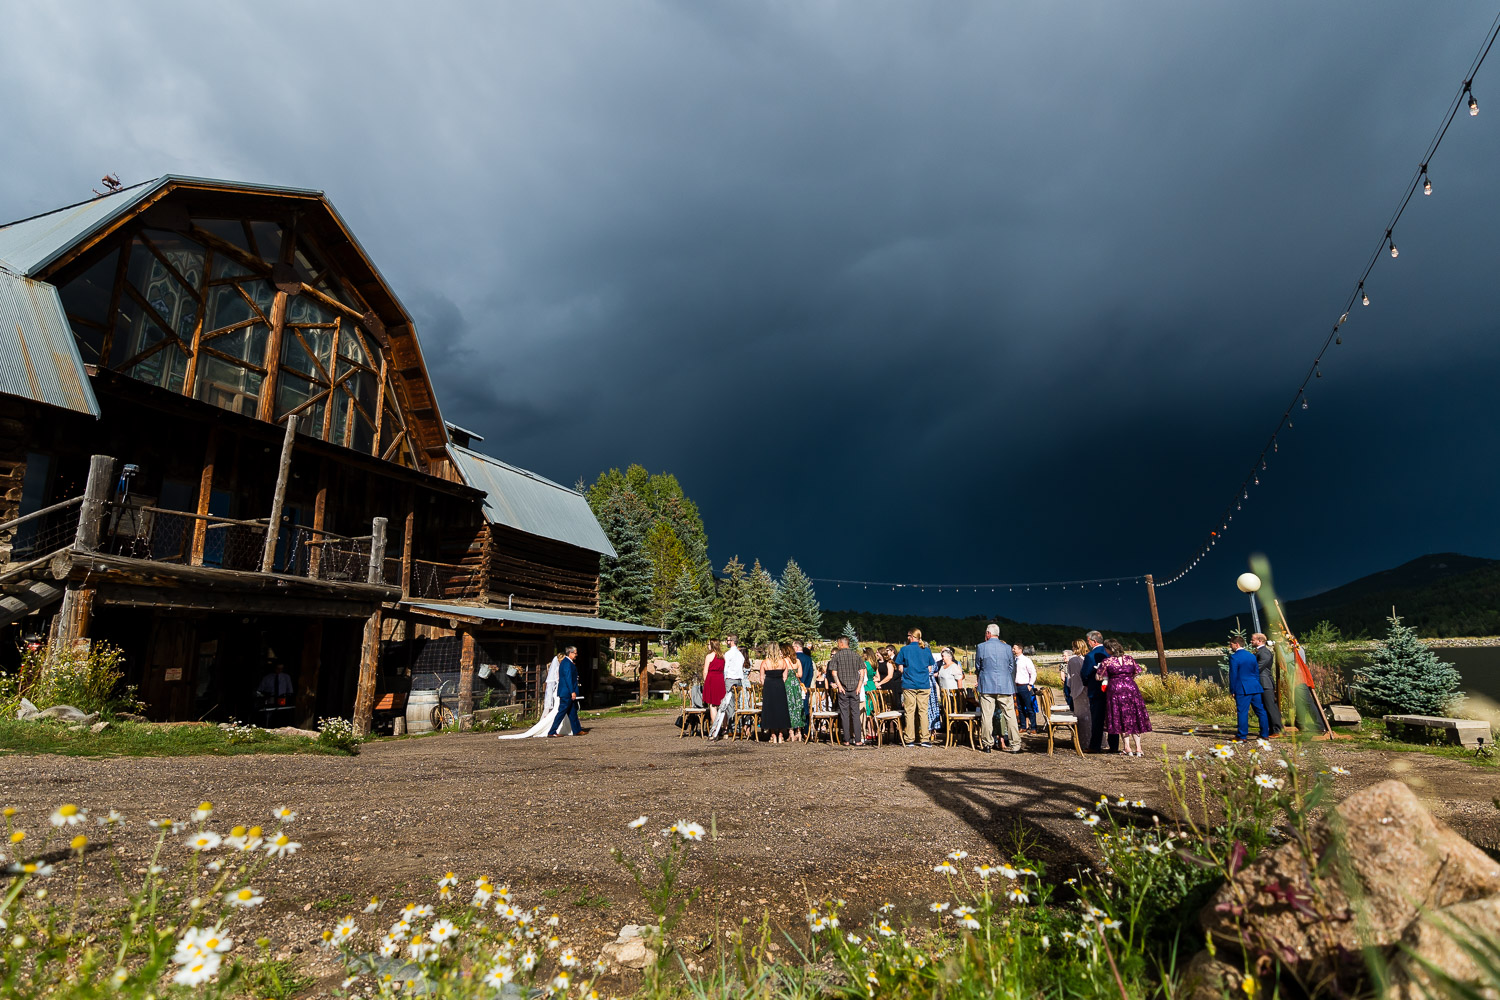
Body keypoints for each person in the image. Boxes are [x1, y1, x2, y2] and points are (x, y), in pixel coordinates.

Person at [1100, 638, 1152, 756]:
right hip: (1131, 688)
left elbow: (1099, 676)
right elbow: (1137, 671)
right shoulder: (1129, 659)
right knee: (1134, 716)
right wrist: (1128, 677)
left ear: (1109, 649)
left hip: (1115, 689)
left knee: (1120, 717)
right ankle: (1138, 748)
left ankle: (1127, 747)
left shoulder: (1107, 661)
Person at [974, 625, 1019, 753]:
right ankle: (1015, 745)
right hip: (1005, 685)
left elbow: (978, 666)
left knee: (987, 716)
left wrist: (983, 675)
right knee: (1010, 715)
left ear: (988, 633)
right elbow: (1011, 666)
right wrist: (1004, 675)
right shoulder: (1007, 647)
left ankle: (987, 744)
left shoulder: (981, 647)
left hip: (987, 685)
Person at [499, 654, 561, 740]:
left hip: (558, 690)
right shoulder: (558, 669)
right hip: (559, 690)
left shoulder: (558, 668)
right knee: (558, 710)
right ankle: (551, 728)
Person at [1080, 630, 1119, 754]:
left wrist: (1087, 683)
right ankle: (1114, 746)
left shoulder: (1090, 656)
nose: (1088, 644)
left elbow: (1084, 674)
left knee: (1097, 719)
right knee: (1113, 718)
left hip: (1096, 691)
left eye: (1088, 641)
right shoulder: (1111, 653)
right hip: (1113, 690)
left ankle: (1095, 746)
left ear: (1094, 641)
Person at [895, 629, 934, 747]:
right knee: (923, 712)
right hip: (923, 684)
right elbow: (930, 669)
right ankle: (925, 739)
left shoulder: (904, 650)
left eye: (908, 635)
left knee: (910, 712)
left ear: (911, 636)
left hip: (909, 684)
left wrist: (906, 671)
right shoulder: (926, 650)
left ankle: (910, 739)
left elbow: (900, 668)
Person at [1228, 636, 1269, 742]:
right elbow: (1256, 673)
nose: (1230, 646)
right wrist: (1256, 683)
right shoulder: (1252, 656)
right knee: (1260, 711)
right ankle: (1264, 734)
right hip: (1255, 686)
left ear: (1236, 644)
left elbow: (1233, 675)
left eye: (1231, 644)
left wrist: (1233, 690)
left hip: (1242, 688)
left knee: (1242, 712)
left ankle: (1242, 736)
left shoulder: (1234, 657)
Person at [829, 637, 866, 746]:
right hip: (855, 689)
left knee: (845, 715)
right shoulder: (856, 655)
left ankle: (846, 740)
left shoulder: (836, 656)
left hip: (843, 689)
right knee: (855, 714)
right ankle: (858, 740)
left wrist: (839, 685)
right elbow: (862, 672)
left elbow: (834, 673)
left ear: (841, 644)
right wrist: (859, 686)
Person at [709, 634, 746, 740]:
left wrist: (723, 679)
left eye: (727, 640)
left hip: (730, 679)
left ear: (731, 641)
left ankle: (728, 728)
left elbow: (725, 669)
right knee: (736, 703)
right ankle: (735, 727)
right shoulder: (740, 655)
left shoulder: (729, 654)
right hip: (739, 680)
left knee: (727, 704)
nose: (726, 642)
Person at [759, 643, 794, 743]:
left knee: (770, 709)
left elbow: (761, 678)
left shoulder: (765, 662)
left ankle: (773, 735)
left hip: (769, 686)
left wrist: (767, 684)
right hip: (779, 685)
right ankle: (780, 735)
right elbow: (785, 677)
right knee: (781, 709)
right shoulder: (783, 662)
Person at [1250, 633, 1283, 736]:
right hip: (1261, 683)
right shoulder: (1260, 651)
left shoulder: (1264, 653)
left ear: (1260, 641)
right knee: (1265, 707)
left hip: (1265, 683)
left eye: (1253, 640)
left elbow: (1258, 667)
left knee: (1270, 706)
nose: (1251, 641)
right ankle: (1270, 729)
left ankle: (1278, 730)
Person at [546, 646, 583, 737]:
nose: (576, 655)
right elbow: (568, 678)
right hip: (566, 692)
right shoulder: (566, 663)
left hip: (567, 692)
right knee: (561, 712)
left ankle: (577, 730)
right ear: (570, 653)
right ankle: (552, 731)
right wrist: (572, 692)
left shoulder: (568, 663)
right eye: (575, 653)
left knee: (572, 712)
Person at [1063, 639, 1091, 743]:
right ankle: (1090, 739)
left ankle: (1082, 740)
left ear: (1075, 647)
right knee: (1089, 715)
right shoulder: (1087, 658)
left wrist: (1071, 689)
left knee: (1080, 715)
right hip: (1087, 689)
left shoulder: (1073, 660)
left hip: (1078, 690)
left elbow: (1070, 678)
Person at [784, 641, 807, 741]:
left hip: (788, 685)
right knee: (798, 706)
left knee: (789, 707)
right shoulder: (797, 661)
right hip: (796, 685)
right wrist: (794, 674)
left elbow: (783, 675)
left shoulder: (784, 661)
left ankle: (791, 732)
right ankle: (799, 732)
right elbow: (800, 675)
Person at [1013, 644, 1038, 733]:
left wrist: (1030, 684)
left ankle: (1034, 727)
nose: (1013, 650)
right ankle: (1023, 726)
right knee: (1019, 708)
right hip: (1016, 686)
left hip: (1024, 685)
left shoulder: (1026, 660)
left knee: (1029, 707)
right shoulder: (1014, 660)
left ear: (1020, 649)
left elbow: (1033, 672)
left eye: (1014, 648)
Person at [702, 641, 726, 734]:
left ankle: (715, 728)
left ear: (712, 645)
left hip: (711, 679)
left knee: (713, 705)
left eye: (708, 644)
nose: (707, 646)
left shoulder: (709, 656)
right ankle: (725, 727)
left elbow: (705, 671)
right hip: (720, 679)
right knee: (722, 705)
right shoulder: (722, 656)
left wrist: (705, 681)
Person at [861, 646, 879, 739]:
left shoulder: (864, 664)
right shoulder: (874, 664)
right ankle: (875, 731)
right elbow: (877, 677)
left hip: (866, 685)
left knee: (867, 710)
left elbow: (863, 676)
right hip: (873, 685)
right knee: (873, 709)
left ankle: (870, 731)